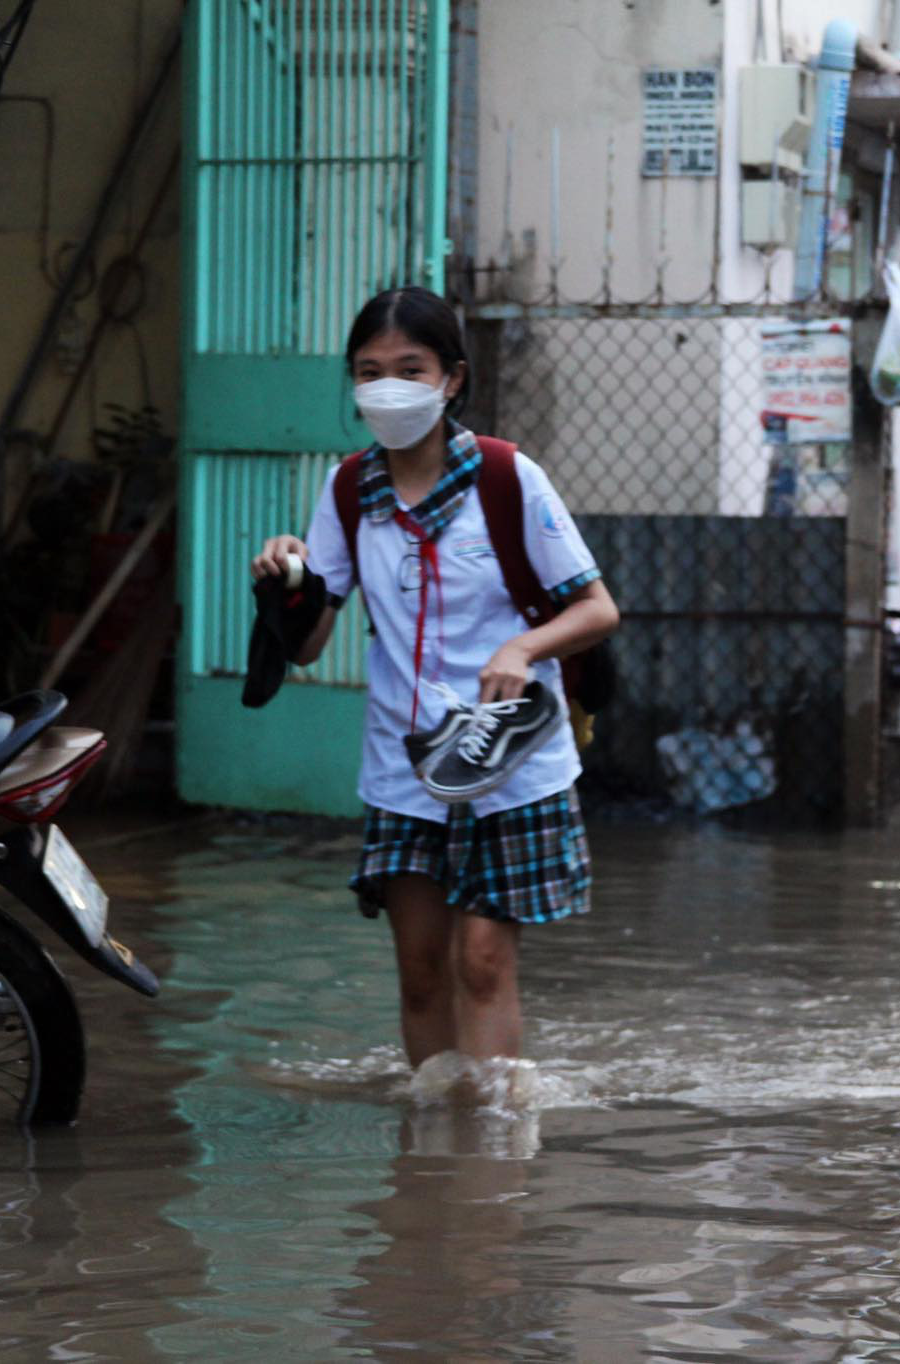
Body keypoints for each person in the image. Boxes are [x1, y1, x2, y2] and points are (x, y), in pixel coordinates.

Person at [249, 286, 620, 1082]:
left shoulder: (506, 477)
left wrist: (523, 647)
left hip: (512, 754)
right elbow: (311, 644)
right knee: (420, 971)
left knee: (482, 960)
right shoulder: (349, 490)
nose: (388, 387)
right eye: (369, 370)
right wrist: (290, 582)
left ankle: (488, 1155)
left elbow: (597, 608)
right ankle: (435, 1142)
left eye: (409, 368)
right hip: (405, 762)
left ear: (451, 378)